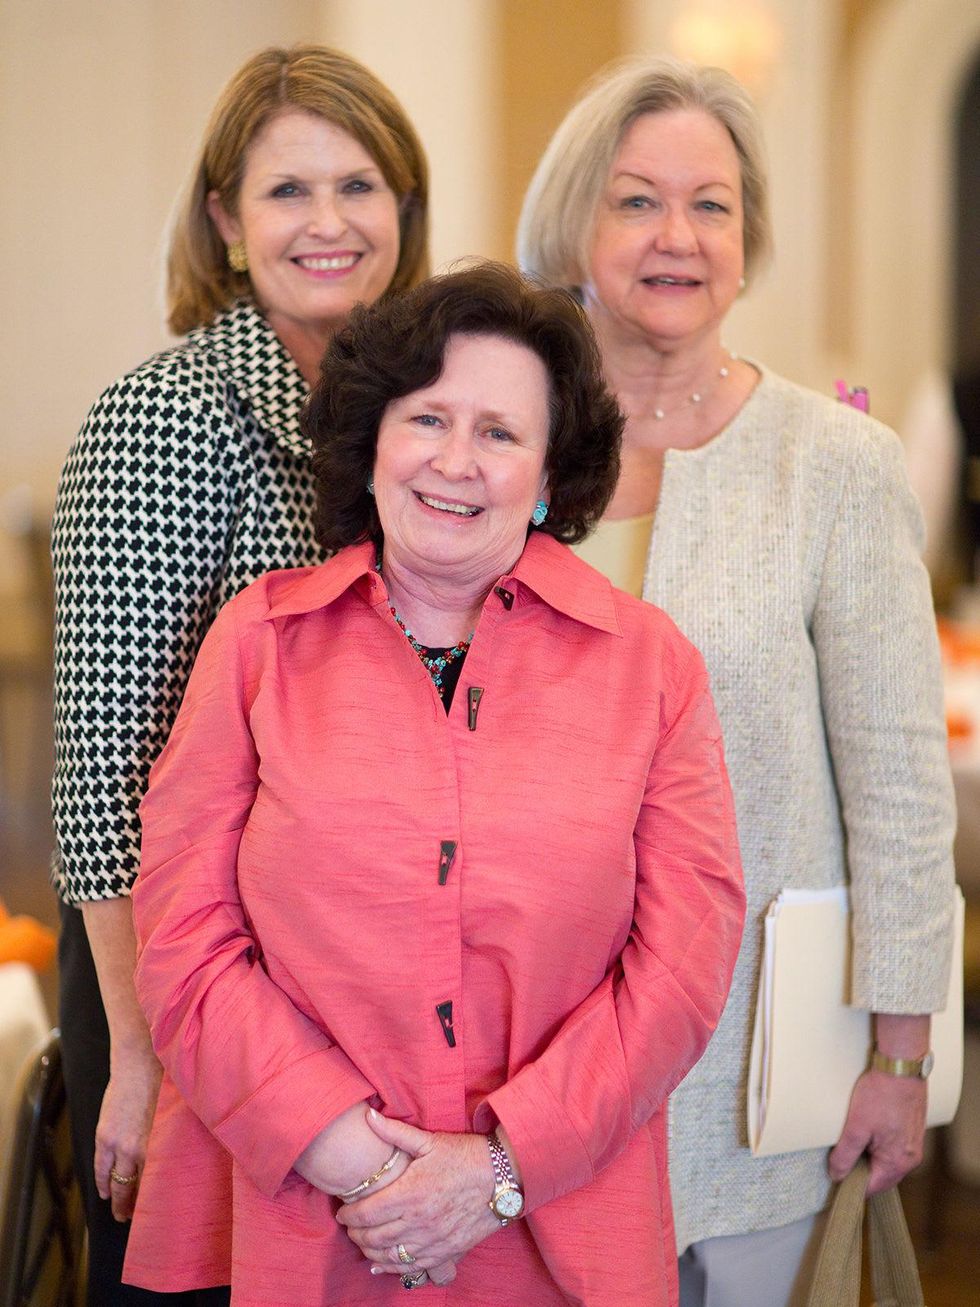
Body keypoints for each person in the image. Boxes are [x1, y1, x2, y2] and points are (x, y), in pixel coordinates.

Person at [125, 262, 746, 1305]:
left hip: (554, 1220)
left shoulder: (650, 664)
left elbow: (682, 962)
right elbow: (180, 925)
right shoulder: (256, 642)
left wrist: (497, 1166)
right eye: (427, 418)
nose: (456, 460)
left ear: (549, 474)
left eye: (500, 432)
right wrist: (346, 1152)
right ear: (372, 442)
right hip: (295, 1207)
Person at [518, 55, 957, 1307]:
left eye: (710, 204)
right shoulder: (500, 443)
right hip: (531, 1053)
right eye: (635, 199)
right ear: (573, 222)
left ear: (747, 236)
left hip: (762, 1057)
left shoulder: (835, 464)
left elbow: (897, 784)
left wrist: (902, 1056)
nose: (676, 236)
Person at [50, 43, 429, 1304]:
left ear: (404, 206)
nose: (328, 223)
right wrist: (143, 1054)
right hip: (184, 975)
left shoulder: (417, 410)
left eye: (359, 185)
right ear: (225, 219)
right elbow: (103, 775)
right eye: (286, 191)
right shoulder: (163, 417)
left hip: (348, 974)